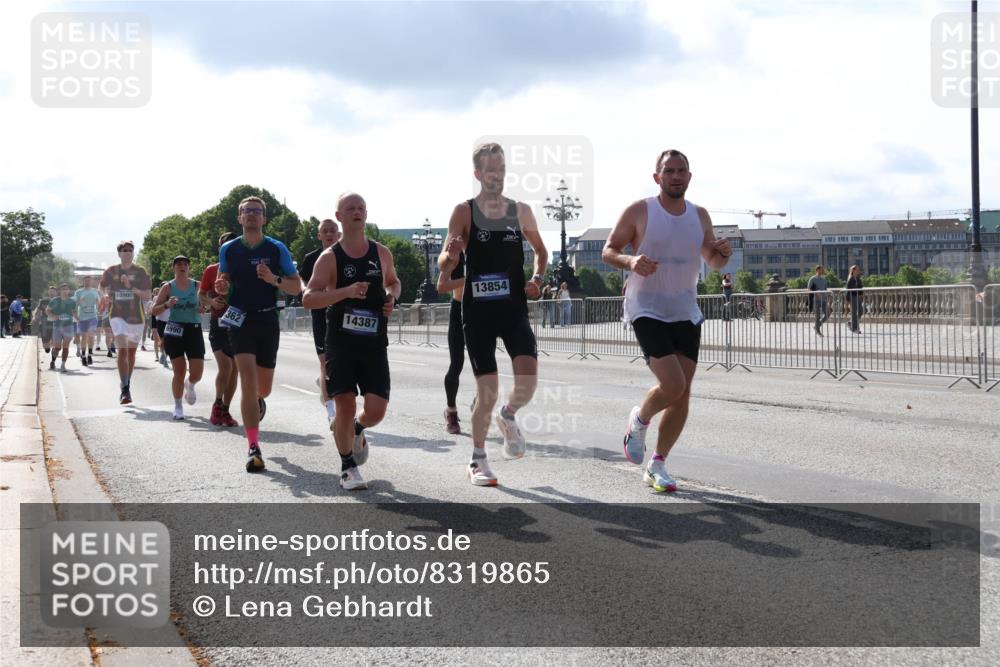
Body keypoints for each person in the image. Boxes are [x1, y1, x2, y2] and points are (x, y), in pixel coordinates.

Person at [602, 148, 732, 492]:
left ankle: (657, 463)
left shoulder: (699, 215)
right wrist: (631, 262)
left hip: (684, 310)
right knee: (672, 385)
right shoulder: (640, 210)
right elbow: (609, 250)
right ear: (657, 177)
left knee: (683, 394)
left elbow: (712, 261)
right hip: (647, 307)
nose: (675, 176)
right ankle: (640, 419)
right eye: (669, 171)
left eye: (681, 171)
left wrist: (721, 253)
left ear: (689, 177)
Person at [438, 142, 548, 487]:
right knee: (487, 389)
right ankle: (478, 458)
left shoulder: (521, 211)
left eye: (501, 169)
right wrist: (451, 256)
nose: (496, 175)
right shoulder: (465, 211)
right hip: (478, 312)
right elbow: (444, 262)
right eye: (489, 170)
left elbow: (541, 253)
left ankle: (509, 415)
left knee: (527, 383)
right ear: (477, 174)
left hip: (513, 308)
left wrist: (537, 279)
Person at [302, 192, 401, 491]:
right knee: (344, 405)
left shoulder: (381, 253)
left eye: (361, 208)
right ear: (340, 215)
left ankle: (358, 428)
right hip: (341, 345)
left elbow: (394, 281)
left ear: (366, 214)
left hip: (373, 344)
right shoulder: (330, 257)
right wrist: (344, 292)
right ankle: (347, 466)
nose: (357, 212)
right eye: (350, 208)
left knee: (376, 410)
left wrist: (392, 297)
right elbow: (309, 299)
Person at [215, 196, 302, 473]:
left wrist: (273, 280)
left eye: (257, 211)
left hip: (267, 318)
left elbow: (296, 286)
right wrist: (221, 286)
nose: (251, 215)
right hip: (240, 319)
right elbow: (223, 280)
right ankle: (253, 448)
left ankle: (259, 401)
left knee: (262, 389)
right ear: (239, 218)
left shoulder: (277, 249)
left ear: (264, 218)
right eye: (246, 211)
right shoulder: (228, 249)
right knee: (247, 382)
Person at [297, 218, 342, 425]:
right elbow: (302, 279)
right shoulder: (312, 258)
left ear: (338, 233)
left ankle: (325, 384)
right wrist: (307, 289)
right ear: (319, 235)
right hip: (320, 314)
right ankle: (332, 411)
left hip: (342, 314)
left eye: (332, 230)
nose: (329, 234)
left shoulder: (346, 255)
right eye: (325, 231)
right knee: (325, 362)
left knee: (340, 362)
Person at [152, 256, 205, 420]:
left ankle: (190, 384)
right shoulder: (168, 287)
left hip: (193, 329)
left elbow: (205, 303)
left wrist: (203, 307)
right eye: (179, 264)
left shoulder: (197, 285)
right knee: (179, 370)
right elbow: (154, 311)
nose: (182, 266)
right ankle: (178, 406)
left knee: (197, 372)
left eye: (185, 264)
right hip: (174, 328)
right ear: (173, 268)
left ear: (189, 268)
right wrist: (167, 304)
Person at [100, 241, 151, 404]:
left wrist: (131, 287)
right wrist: (105, 295)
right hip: (117, 315)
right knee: (122, 350)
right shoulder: (111, 271)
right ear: (119, 254)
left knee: (131, 354)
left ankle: (126, 381)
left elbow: (147, 295)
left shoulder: (141, 271)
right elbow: (101, 287)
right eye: (124, 250)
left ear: (133, 253)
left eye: (130, 250)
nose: (128, 252)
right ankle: (125, 390)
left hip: (136, 317)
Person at [199, 232, 240, 427]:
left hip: (239, 323)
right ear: (220, 248)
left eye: (232, 244)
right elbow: (201, 294)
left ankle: (225, 409)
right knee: (226, 366)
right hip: (218, 323)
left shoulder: (243, 269)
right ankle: (217, 403)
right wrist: (211, 301)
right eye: (225, 244)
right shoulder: (211, 270)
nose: (229, 248)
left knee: (235, 370)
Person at [437, 247, 466, 434]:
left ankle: (480, 403)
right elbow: (441, 286)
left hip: (483, 311)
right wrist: (469, 279)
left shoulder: (489, 249)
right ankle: (451, 411)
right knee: (457, 363)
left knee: (487, 364)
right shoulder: (456, 254)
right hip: (460, 310)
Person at [45, 284, 77, 372]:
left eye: (67, 289)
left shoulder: (72, 301)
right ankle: (53, 361)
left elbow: (74, 312)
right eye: (63, 289)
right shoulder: (55, 300)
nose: (65, 291)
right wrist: (53, 316)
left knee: (66, 346)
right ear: (60, 291)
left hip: (68, 326)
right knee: (57, 348)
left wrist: (78, 318)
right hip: (57, 326)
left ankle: (63, 365)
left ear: (69, 291)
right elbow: (47, 310)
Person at [73, 276, 101, 366]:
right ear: (83, 281)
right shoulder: (78, 292)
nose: (88, 282)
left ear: (91, 281)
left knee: (91, 335)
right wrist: (76, 315)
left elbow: (98, 303)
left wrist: (98, 303)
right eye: (86, 280)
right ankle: (83, 355)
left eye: (89, 280)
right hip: (82, 318)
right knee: (84, 337)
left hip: (93, 316)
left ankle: (89, 355)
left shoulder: (95, 291)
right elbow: (74, 305)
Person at [807, 264, 830, 336]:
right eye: (821, 269)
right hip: (815, 300)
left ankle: (817, 326)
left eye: (823, 269)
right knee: (817, 316)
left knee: (828, 313)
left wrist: (829, 293)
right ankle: (818, 331)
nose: (822, 270)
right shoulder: (812, 279)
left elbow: (825, 289)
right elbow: (808, 289)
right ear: (817, 270)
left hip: (824, 300)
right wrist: (816, 293)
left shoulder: (824, 279)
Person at [35, 286, 57, 353]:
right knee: (45, 340)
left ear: (56, 292)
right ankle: (47, 345)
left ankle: (54, 348)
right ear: (48, 292)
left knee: (55, 337)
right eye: (50, 291)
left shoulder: (59, 301)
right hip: (44, 322)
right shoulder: (43, 301)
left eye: (53, 291)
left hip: (55, 322)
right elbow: (38, 310)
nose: (52, 293)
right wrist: (35, 317)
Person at [846, 264, 864, 334]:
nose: (858, 270)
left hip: (857, 297)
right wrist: (848, 300)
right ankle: (855, 328)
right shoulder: (850, 279)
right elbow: (848, 290)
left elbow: (860, 287)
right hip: (852, 297)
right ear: (853, 270)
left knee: (860, 311)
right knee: (854, 313)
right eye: (857, 269)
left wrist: (861, 295)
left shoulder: (858, 278)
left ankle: (851, 322)